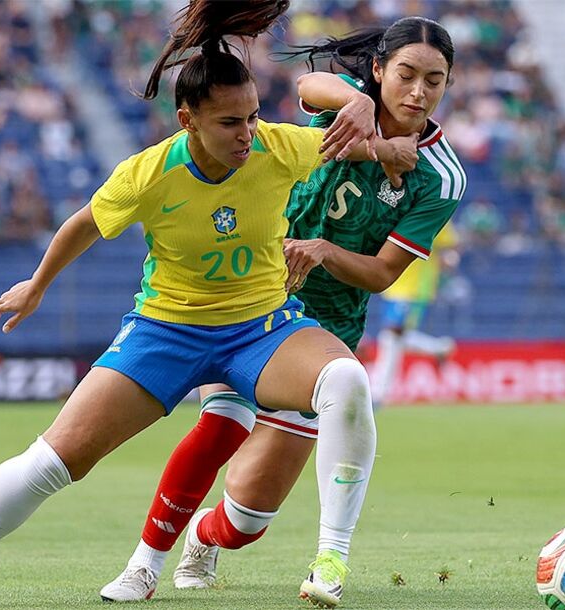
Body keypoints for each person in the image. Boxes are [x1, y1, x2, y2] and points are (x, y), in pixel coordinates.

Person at [0, 0, 390, 606]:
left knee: (345, 378)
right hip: (166, 331)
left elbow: (350, 139)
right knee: (52, 462)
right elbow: (82, 225)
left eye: (251, 116)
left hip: (260, 328)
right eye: (228, 123)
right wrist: (37, 284)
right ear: (187, 119)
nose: (246, 133)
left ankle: (330, 561)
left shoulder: (277, 147)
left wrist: (374, 123)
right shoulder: (149, 173)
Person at [99, 17, 463, 608]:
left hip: (325, 329)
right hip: (250, 300)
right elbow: (306, 86)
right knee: (218, 429)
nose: (418, 91)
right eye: (406, 74)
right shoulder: (344, 108)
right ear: (378, 71)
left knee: (246, 520)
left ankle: (205, 536)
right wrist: (359, 107)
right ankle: (144, 565)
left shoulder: (442, 176)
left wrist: (322, 251)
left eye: (434, 80)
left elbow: (381, 274)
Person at [371, 221, 460, 407]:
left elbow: (452, 245)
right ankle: (439, 348)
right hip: (393, 285)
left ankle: (379, 394)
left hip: (415, 288)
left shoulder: (434, 207)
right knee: (392, 337)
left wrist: (445, 262)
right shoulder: (400, 204)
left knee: (392, 333)